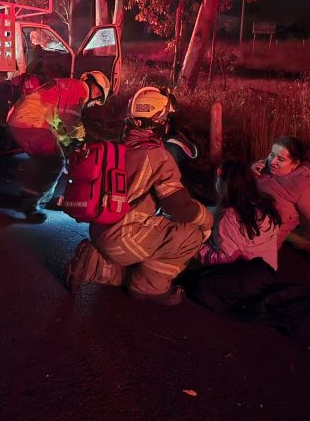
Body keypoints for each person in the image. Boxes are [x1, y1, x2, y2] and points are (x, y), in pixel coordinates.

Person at [63, 86, 213, 306]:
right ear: (159, 120)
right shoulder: (156, 155)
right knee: (190, 236)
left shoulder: (119, 146)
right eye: (167, 118)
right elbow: (178, 206)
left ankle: (96, 265)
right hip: (125, 238)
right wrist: (206, 219)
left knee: (146, 242)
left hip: (101, 232)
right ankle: (148, 288)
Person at [7, 70, 111, 223]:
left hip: (18, 122)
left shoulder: (66, 86)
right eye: (98, 98)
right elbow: (70, 118)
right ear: (95, 88)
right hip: (32, 123)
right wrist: (81, 137)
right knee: (54, 164)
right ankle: (30, 204)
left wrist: (68, 142)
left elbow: (58, 119)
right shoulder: (79, 89)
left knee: (45, 162)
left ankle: (39, 197)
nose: (94, 102)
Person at [185, 159, 282, 313]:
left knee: (198, 283)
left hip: (247, 274)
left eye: (217, 179)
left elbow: (226, 257)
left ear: (223, 183)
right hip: (268, 270)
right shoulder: (262, 205)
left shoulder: (230, 216)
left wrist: (196, 248)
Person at [252, 136, 310, 271]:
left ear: (295, 164)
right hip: (237, 219)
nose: (272, 162)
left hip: (258, 240)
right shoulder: (264, 168)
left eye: (281, 159)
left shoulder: (305, 185)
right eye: (272, 155)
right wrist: (250, 172)